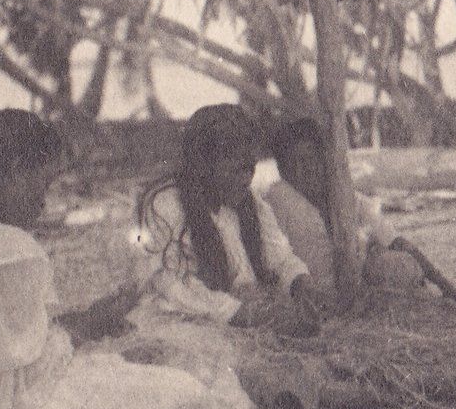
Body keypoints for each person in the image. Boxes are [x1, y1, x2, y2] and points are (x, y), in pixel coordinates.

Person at [0, 109, 253, 409]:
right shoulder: (6, 247)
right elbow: (24, 369)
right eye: (42, 185)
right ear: (14, 174)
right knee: (187, 392)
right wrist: (93, 326)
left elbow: (16, 341)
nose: (43, 201)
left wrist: (89, 323)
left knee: (163, 379)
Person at [125, 103, 324, 337]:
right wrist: (241, 313)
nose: (246, 179)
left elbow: (280, 256)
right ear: (203, 166)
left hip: (235, 319)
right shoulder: (165, 206)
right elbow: (170, 286)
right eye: (235, 170)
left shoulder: (249, 203)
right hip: (177, 322)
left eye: (250, 169)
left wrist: (301, 283)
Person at [266, 116, 426, 292]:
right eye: (291, 164)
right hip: (312, 294)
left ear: (323, 160)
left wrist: (448, 288)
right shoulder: (279, 197)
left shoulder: (341, 195)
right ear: (281, 171)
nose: (301, 170)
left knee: (402, 263)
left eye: (308, 160)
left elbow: (393, 238)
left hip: (358, 287)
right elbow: (276, 263)